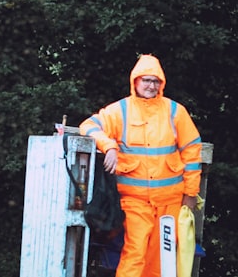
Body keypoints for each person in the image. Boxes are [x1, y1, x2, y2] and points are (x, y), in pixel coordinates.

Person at [79, 54, 202, 277]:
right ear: (135, 81)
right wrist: (109, 146)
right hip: (134, 201)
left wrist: (191, 193)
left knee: (161, 260)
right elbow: (88, 126)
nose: (151, 85)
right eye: (146, 80)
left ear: (162, 84)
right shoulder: (120, 110)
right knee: (135, 254)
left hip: (170, 202)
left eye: (156, 81)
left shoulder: (175, 111)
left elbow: (192, 151)